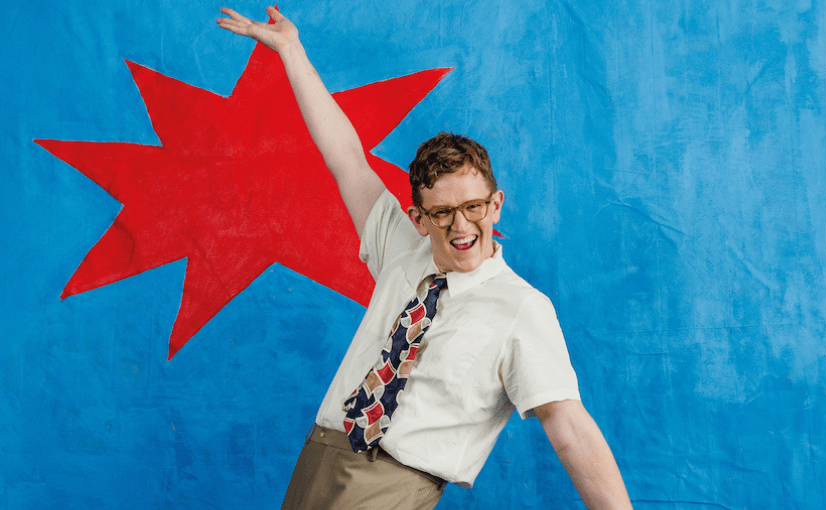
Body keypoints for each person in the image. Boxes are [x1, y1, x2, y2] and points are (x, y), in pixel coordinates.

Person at [217, 6, 633, 509]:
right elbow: (346, 157)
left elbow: (569, 428)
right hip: (319, 461)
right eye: (442, 213)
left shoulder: (523, 308)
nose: (461, 225)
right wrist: (292, 52)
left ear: (496, 205)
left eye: (473, 207)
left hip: (395, 483)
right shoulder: (401, 251)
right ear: (418, 218)